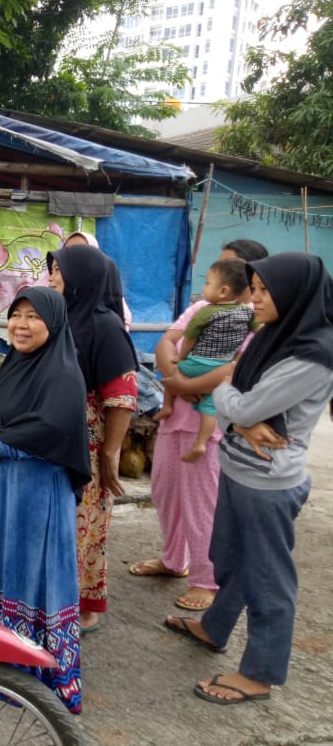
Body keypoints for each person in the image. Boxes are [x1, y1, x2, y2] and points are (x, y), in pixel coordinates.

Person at [163, 252, 333, 705]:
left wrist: (228, 400)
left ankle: (259, 674)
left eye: (262, 291)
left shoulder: (313, 355)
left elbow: (240, 402)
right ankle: (214, 627)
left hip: (269, 483)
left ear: (295, 293)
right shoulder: (275, 335)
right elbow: (238, 394)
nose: (252, 299)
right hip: (239, 467)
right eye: (252, 289)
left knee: (268, 579)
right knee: (228, 558)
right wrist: (236, 409)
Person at [0, 286, 91, 713]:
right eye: (16, 314)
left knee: (30, 572)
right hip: (1, 493)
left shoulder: (62, 375)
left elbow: (49, 430)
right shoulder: (17, 364)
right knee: (1, 564)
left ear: (53, 323)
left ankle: (33, 670)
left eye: (33, 316)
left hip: (33, 496)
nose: (20, 324)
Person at [132, 239, 268, 611]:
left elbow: (235, 369)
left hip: (211, 424)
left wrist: (183, 384)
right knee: (164, 490)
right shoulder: (201, 308)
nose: (223, 276)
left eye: (233, 269)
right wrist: (173, 374)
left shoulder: (256, 320)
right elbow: (168, 341)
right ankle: (175, 560)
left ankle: (207, 579)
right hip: (176, 416)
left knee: (201, 503)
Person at [47, 243, 137, 632]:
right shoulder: (59, 317)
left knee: (83, 524)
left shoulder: (105, 325)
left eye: (58, 272)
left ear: (80, 279)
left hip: (88, 443)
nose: (51, 278)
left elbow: (121, 395)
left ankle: (83, 603)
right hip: (53, 437)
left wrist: (111, 452)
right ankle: (54, 597)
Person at [155, 258, 258, 463]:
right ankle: (200, 443)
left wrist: (181, 380)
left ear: (224, 290)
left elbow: (190, 337)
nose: (204, 287)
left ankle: (166, 405)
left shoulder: (206, 311)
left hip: (198, 369)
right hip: (209, 387)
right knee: (209, 408)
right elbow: (165, 342)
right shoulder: (247, 314)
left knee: (172, 377)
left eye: (208, 282)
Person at [61, 231, 132, 331]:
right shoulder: (50, 281)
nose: (71, 255)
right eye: (67, 250)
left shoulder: (110, 322)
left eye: (80, 251)